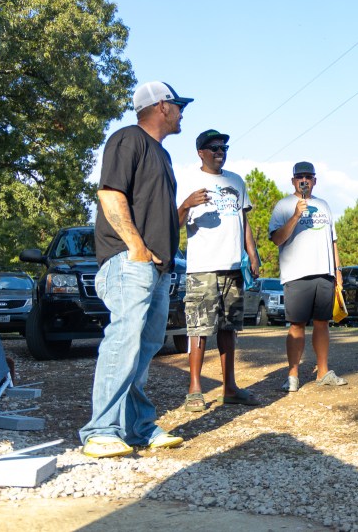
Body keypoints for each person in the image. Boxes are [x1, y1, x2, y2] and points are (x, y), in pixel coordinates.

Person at [79, 81, 193, 458]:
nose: (182, 112)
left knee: (143, 349)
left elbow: (160, 214)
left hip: (157, 268)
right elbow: (110, 194)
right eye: (178, 105)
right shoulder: (129, 138)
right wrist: (137, 247)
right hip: (129, 262)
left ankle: (138, 427)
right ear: (161, 106)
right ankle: (101, 430)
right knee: (124, 340)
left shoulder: (163, 154)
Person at [177, 129, 261, 412]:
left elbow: (243, 221)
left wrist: (252, 254)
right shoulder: (189, 180)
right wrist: (186, 204)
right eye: (213, 148)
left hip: (232, 267)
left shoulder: (236, 181)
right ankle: (195, 390)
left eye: (223, 147)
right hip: (203, 268)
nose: (220, 152)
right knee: (198, 329)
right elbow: (174, 223)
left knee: (229, 328)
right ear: (200, 152)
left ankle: (230, 388)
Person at [269, 161, 347, 392]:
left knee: (322, 323)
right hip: (296, 273)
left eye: (308, 177)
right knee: (297, 324)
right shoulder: (283, 205)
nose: (304, 180)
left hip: (324, 272)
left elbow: (333, 241)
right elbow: (277, 240)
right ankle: (292, 375)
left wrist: (338, 271)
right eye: (300, 177)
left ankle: (323, 372)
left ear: (315, 180)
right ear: (293, 181)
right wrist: (295, 216)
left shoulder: (323, 205)